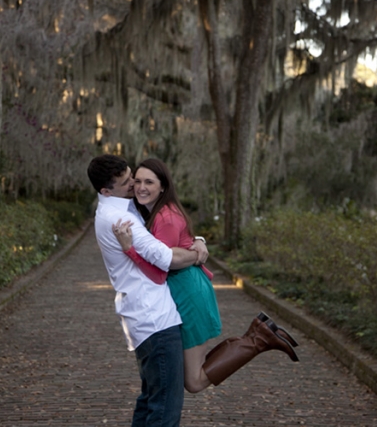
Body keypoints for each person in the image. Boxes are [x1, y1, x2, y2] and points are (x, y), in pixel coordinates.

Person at [87, 154, 206, 427]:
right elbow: (165, 258)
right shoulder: (119, 216)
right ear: (107, 189)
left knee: (149, 403)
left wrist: (196, 238)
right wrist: (199, 252)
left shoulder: (113, 208)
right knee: (164, 410)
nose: (134, 187)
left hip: (142, 318)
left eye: (135, 179)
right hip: (155, 319)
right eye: (127, 183)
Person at [112, 158, 299, 393]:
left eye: (149, 182)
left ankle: (258, 340)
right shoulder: (153, 212)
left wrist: (129, 249)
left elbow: (160, 270)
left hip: (188, 293)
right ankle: (256, 334)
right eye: (137, 181)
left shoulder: (165, 217)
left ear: (163, 186)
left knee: (194, 381)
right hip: (184, 288)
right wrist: (198, 240)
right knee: (193, 372)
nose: (141, 187)